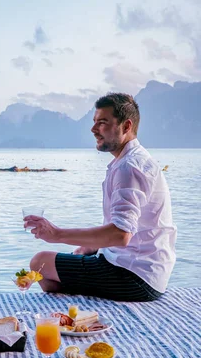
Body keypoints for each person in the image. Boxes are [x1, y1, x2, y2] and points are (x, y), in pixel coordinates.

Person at [26, 93, 176, 302]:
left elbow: (120, 235)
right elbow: (129, 228)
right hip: (149, 273)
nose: (93, 129)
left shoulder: (129, 167)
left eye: (102, 123)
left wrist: (56, 234)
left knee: (39, 262)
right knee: (75, 256)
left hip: (134, 276)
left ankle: (80, 309)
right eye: (94, 122)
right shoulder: (133, 159)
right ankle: (81, 306)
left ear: (126, 126)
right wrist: (91, 247)